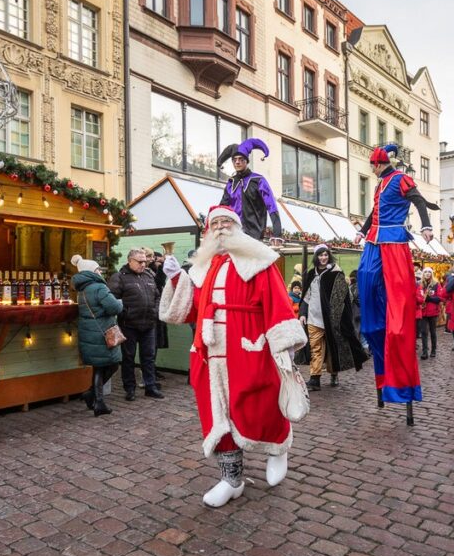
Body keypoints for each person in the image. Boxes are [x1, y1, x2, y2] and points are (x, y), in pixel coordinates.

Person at [159, 206, 308, 507]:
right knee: (217, 416)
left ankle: (278, 448)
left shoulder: (260, 261)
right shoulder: (204, 267)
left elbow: (278, 302)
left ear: (238, 227)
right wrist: (177, 279)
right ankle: (231, 479)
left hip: (249, 345)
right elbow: (191, 308)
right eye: (215, 224)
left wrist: (285, 343)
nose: (221, 228)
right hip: (210, 353)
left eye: (227, 222)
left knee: (261, 402)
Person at [356, 144, 438, 410]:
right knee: (365, 275)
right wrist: (361, 231)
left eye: (373, 165)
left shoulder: (400, 178)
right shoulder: (380, 184)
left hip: (393, 242)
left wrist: (426, 225)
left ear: (380, 164)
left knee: (397, 299)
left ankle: (400, 382)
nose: (372, 169)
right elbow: (373, 214)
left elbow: (418, 200)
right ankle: (372, 323)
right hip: (373, 243)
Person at [298, 245, 366, 390]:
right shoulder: (311, 274)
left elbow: (343, 298)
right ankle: (314, 379)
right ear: (316, 257)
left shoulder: (336, 273)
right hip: (313, 318)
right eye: (320, 255)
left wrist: (339, 318)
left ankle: (333, 373)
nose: (323, 258)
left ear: (329, 256)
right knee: (315, 348)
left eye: (325, 255)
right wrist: (303, 313)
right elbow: (306, 296)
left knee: (331, 348)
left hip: (330, 320)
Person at [108, 248, 164, 401]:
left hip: (149, 323)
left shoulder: (148, 276)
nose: (143, 264)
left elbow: (157, 296)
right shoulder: (119, 277)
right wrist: (125, 312)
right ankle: (130, 389)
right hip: (129, 324)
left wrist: (155, 310)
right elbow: (112, 299)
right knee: (128, 358)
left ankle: (150, 386)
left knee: (149, 357)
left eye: (145, 261)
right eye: (140, 262)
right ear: (130, 261)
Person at [71, 255, 123, 416]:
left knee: (99, 366)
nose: (100, 271)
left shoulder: (82, 288)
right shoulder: (99, 287)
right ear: (92, 271)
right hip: (102, 331)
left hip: (89, 330)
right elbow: (114, 308)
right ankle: (97, 401)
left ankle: (92, 395)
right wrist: (121, 302)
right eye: (98, 269)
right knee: (111, 364)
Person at [218, 138, 283, 244]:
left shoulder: (258, 180)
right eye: (235, 160)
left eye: (241, 159)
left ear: (246, 161)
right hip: (233, 234)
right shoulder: (231, 183)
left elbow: (271, 206)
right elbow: (222, 207)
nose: (237, 162)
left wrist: (277, 233)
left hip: (254, 235)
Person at [419, 267, 443, 360]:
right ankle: (425, 351)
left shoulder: (436, 284)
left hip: (433, 312)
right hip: (422, 311)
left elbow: (440, 298)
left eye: (429, 272)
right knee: (424, 332)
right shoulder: (420, 284)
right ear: (423, 274)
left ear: (432, 274)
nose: (428, 273)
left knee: (433, 332)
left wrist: (430, 299)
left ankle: (433, 350)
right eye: (426, 272)